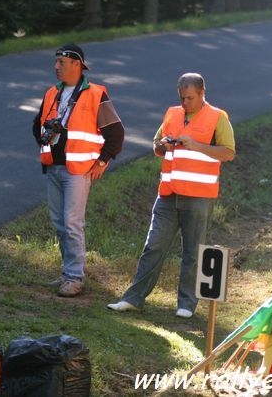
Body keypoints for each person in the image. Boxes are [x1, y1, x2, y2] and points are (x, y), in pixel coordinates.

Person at [107, 72, 235, 317]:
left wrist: (195, 145)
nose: (185, 103)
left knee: (193, 252)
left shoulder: (218, 117)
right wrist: (162, 145)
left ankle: (186, 305)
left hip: (199, 196)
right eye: (182, 98)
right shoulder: (172, 114)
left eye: (189, 98)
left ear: (202, 93)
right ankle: (133, 298)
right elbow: (156, 145)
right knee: (153, 246)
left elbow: (228, 153)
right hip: (167, 193)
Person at [32, 44, 124, 297]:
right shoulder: (52, 93)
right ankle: (67, 274)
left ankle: (74, 277)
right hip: (54, 168)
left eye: (61, 62)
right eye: (56, 62)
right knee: (60, 223)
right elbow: (37, 124)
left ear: (76, 64)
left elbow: (116, 133)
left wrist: (103, 161)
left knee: (72, 223)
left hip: (78, 171)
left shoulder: (95, 94)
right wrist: (46, 139)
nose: (56, 67)